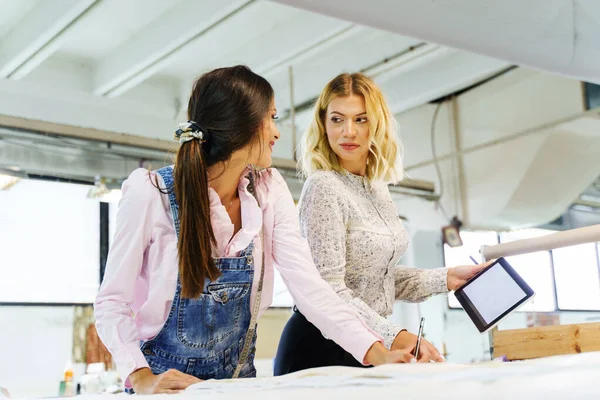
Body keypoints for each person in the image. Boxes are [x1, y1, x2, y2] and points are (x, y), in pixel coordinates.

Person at [94, 66, 413, 395]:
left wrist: (378, 353)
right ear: (242, 125)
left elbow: (313, 291)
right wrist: (140, 376)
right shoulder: (151, 193)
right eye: (272, 118)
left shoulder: (268, 192)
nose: (276, 133)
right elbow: (112, 302)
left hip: (237, 387)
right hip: (166, 390)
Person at [273, 72, 491, 375]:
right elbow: (331, 289)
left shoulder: (378, 189)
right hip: (322, 345)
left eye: (361, 120)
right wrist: (396, 336)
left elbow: (378, 277)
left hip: (368, 343)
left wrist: (447, 278)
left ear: (377, 124)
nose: (348, 131)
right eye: (337, 119)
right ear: (323, 125)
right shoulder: (323, 187)